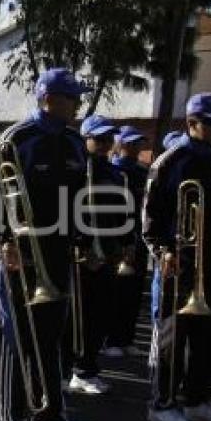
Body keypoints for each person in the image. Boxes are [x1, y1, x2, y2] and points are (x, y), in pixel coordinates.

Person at [0, 68, 90, 421]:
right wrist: (2, 241)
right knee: (16, 334)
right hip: (20, 254)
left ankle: (50, 416)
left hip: (58, 252)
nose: (77, 104)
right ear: (50, 98)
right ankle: (10, 417)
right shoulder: (17, 139)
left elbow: (81, 198)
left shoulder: (76, 143)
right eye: (72, 98)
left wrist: (86, 239)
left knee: (50, 336)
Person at [143, 92, 211, 421]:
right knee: (170, 336)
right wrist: (161, 251)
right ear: (192, 123)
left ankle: (199, 400)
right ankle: (161, 403)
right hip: (177, 263)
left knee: (208, 336)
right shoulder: (170, 161)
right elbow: (150, 215)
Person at [62, 114, 130, 395]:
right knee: (75, 317)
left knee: (101, 314)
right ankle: (71, 370)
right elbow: (65, 211)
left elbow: (126, 210)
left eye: (108, 139)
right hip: (81, 253)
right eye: (98, 139)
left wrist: (127, 241)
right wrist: (82, 245)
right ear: (85, 139)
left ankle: (88, 366)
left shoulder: (116, 173)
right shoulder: (75, 171)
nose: (104, 144)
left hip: (109, 251)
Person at [104, 126, 149, 358]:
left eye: (138, 143)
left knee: (134, 291)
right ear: (120, 144)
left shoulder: (144, 172)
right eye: (130, 143)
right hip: (119, 236)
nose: (135, 147)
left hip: (139, 237)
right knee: (116, 292)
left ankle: (126, 337)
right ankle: (111, 339)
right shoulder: (114, 171)